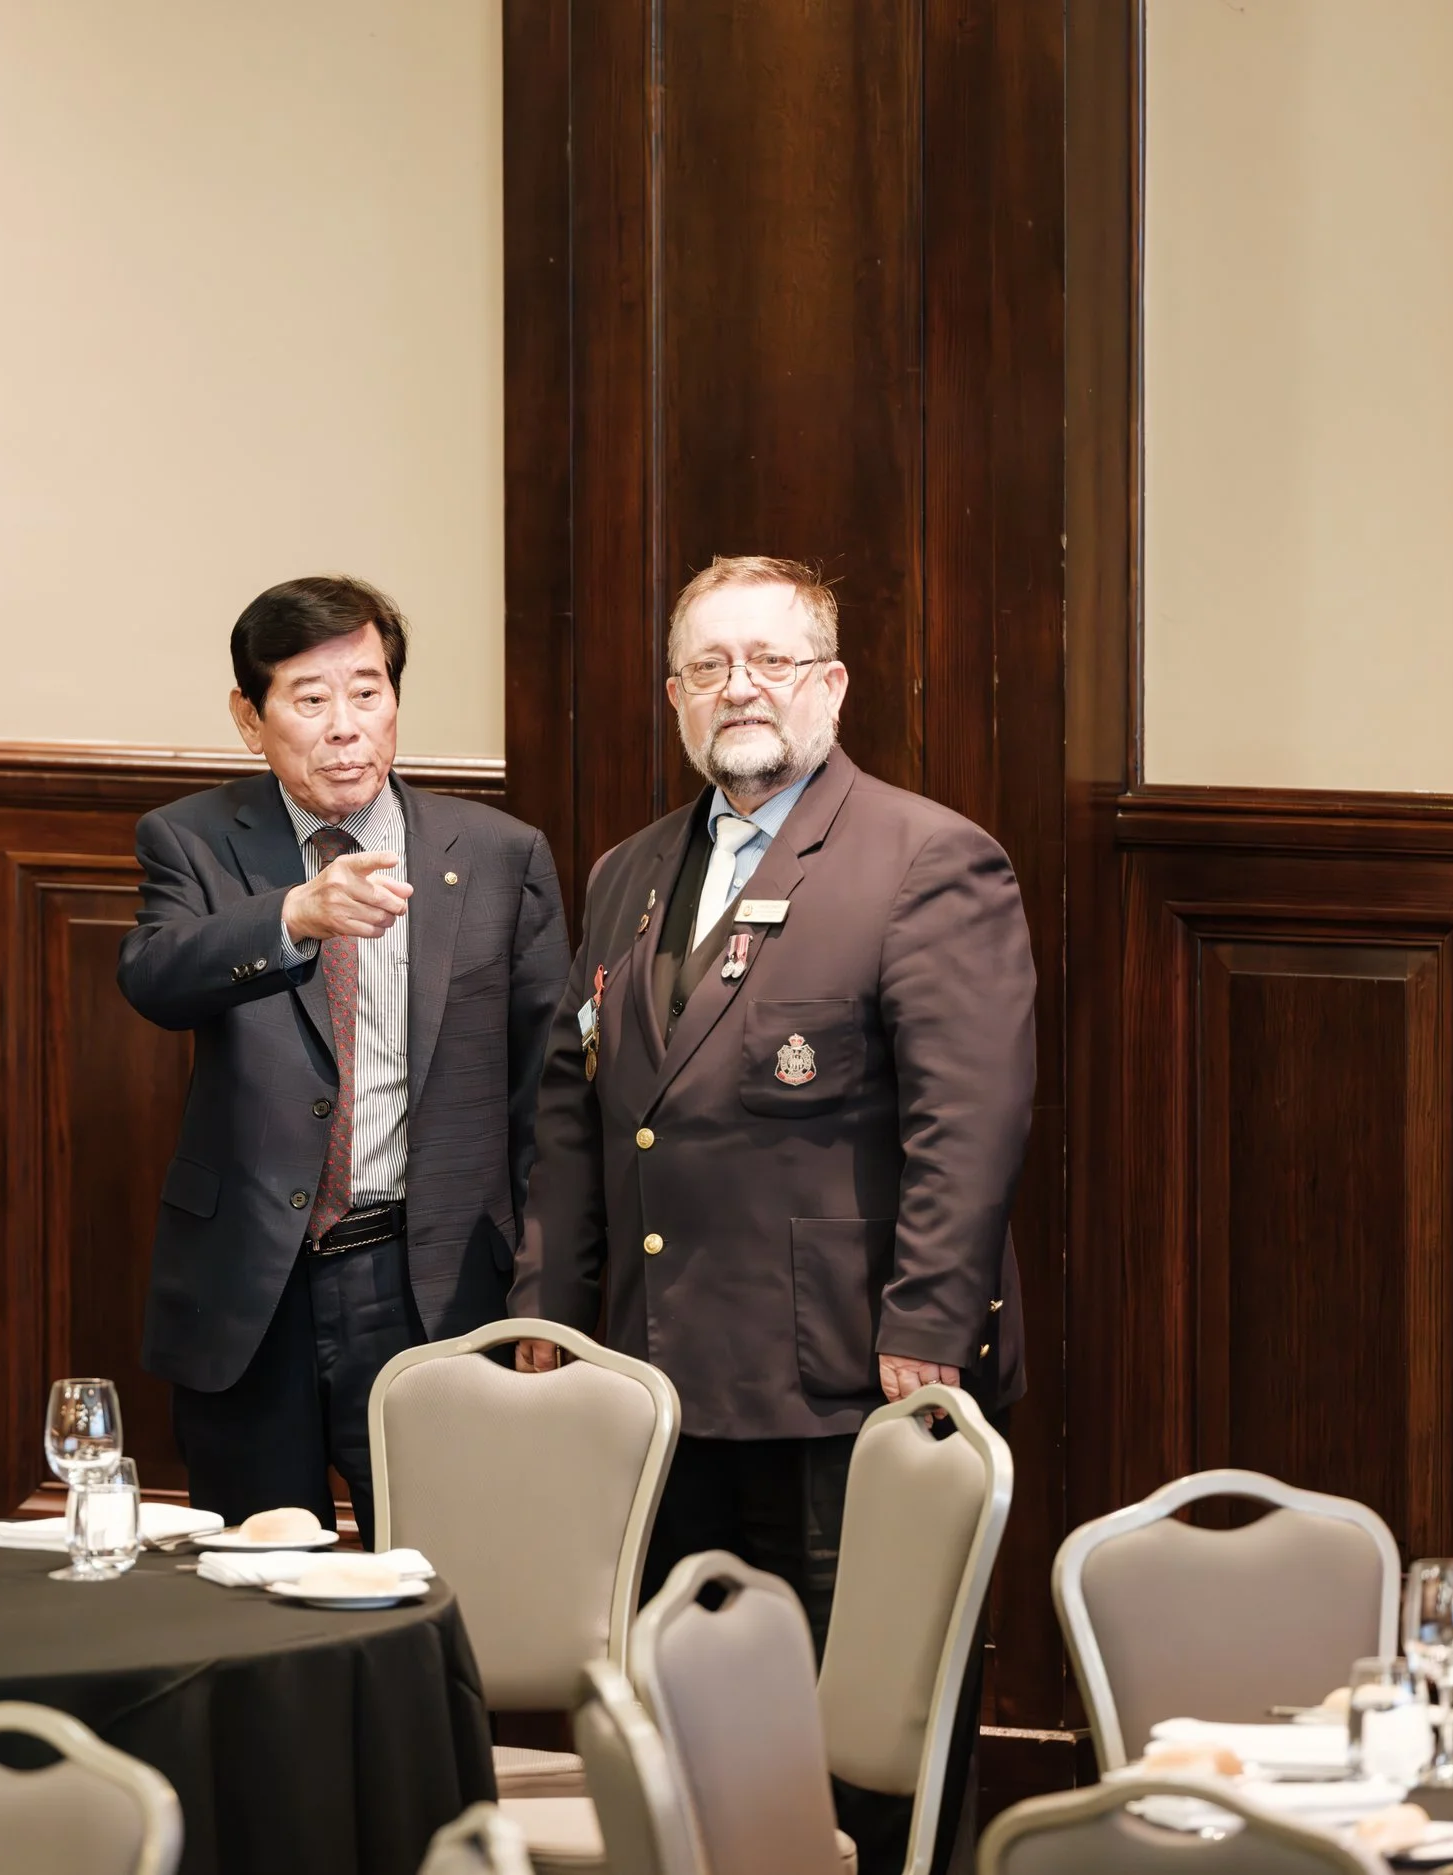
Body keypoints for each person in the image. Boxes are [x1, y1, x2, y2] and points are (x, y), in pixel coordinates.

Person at [511, 554, 1033, 1872]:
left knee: (861, 1755)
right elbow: (579, 1113)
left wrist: (927, 1325)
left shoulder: (925, 857)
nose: (739, 687)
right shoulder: (629, 872)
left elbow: (967, 1121)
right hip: (658, 1383)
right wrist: (548, 1318)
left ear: (832, 686)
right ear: (674, 696)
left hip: (849, 1383)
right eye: (709, 666)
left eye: (772, 661)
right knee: (694, 1744)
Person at [119, 575, 569, 1540]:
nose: (344, 727)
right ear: (251, 718)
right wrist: (293, 914)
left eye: (367, 692)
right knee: (249, 1577)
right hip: (253, 1288)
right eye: (310, 698)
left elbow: (547, 1095)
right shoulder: (192, 839)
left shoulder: (500, 854)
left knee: (439, 1570)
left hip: (429, 1279)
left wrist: (543, 1289)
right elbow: (155, 978)